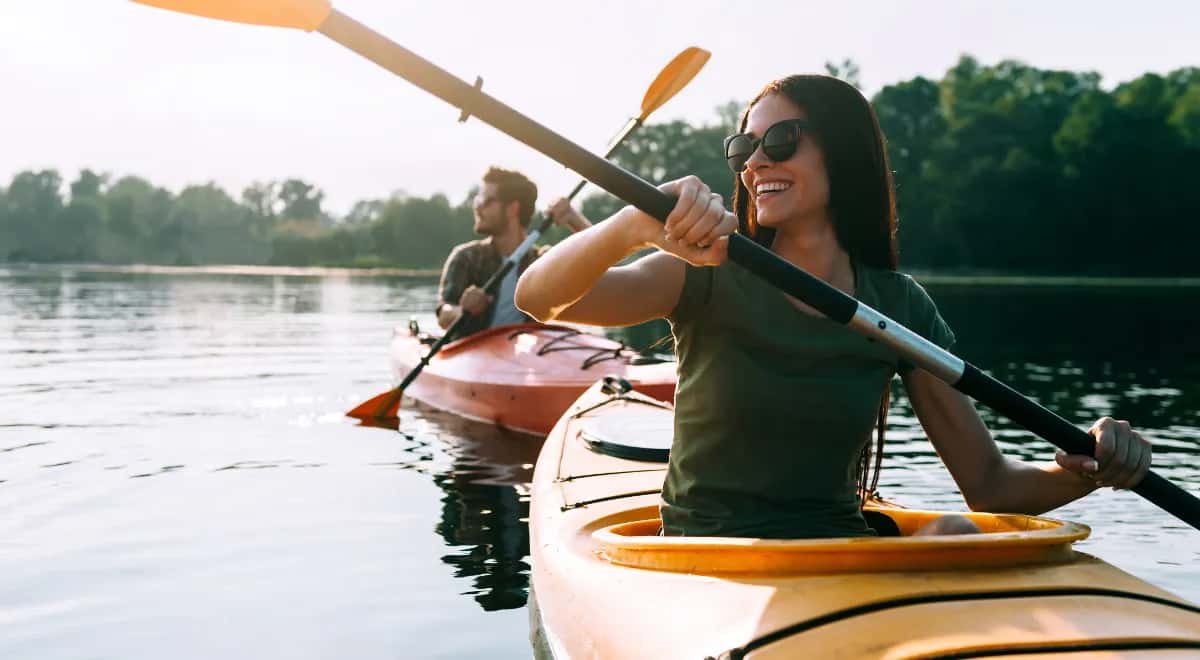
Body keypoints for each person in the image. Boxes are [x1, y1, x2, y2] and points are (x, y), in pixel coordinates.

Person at [514, 75, 1152, 539]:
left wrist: (1092, 467)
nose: (755, 162)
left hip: (838, 554)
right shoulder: (704, 271)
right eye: (744, 148)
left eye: (780, 140)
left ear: (843, 152)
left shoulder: (899, 306)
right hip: (707, 557)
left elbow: (989, 484)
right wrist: (631, 225)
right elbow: (537, 297)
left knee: (956, 530)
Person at [436, 166, 590, 337]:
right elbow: (443, 315)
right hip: (472, 348)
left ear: (512, 209)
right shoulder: (466, 257)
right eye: (477, 200)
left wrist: (574, 219)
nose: (478, 208)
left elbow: (602, 266)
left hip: (526, 351)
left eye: (486, 201)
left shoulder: (542, 263)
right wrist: (462, 310)